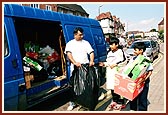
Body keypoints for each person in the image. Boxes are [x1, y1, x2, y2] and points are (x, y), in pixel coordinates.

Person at [65, 27, 94, 111]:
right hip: (75, 68)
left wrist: (91, 61)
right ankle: (72, 103)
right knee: (73, 85)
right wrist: (74, 62)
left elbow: (91, 52)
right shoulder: (70, 44)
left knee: (85, 84)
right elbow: (69, 54)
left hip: (85, 67)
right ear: (75, 35)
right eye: (80, 35)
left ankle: (84, 102)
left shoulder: (86, 43)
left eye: (82, 34)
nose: (82, 36)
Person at [99, 37, 126, 110]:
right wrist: (104, 64)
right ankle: (115, 100)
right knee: (112, 88)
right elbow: (108, 62)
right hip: (110, 73)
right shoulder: (109, 52)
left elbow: (124, 61)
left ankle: (121, 102)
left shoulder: (120, 51)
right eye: (109, 44)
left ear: (116, 45)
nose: (110, 46)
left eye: (112, 44)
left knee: (119, 88)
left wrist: (116, 64)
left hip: (118, 72)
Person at [129, 42, 153, 111]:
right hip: (134, 82)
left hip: (143, 82)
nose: (134, 51)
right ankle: (133, 109)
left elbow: (150, 71)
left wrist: (144, 79)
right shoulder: (133, 59)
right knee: (133, 97)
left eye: (136, 50)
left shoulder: (146, 60)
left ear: (141, 50)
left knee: (142, 98)